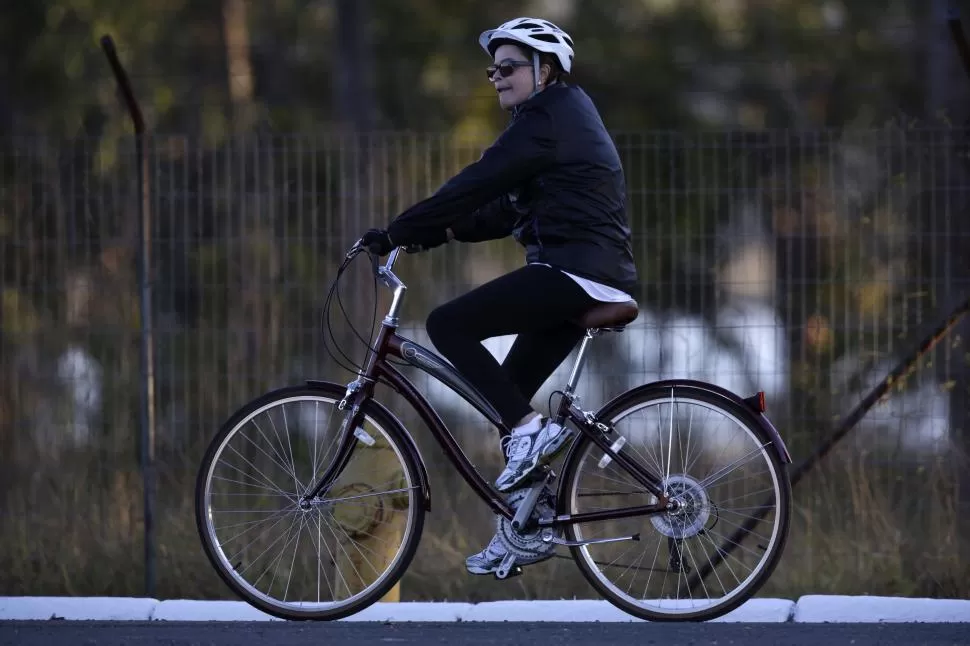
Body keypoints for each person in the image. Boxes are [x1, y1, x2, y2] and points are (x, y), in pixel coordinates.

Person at [361, 16, 638, 575]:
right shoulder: (556, 120)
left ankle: (533, 433)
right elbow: (503, 208)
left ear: (544, 70)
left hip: (578, 272)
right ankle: (526, 526)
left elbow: (478, 180)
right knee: (504, 397)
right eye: (493, 69)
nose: (497, 77)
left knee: (448, 325)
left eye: (509, 67)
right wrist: (435, 233)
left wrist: (399, 228)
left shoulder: (547, 118)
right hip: (576, 270)